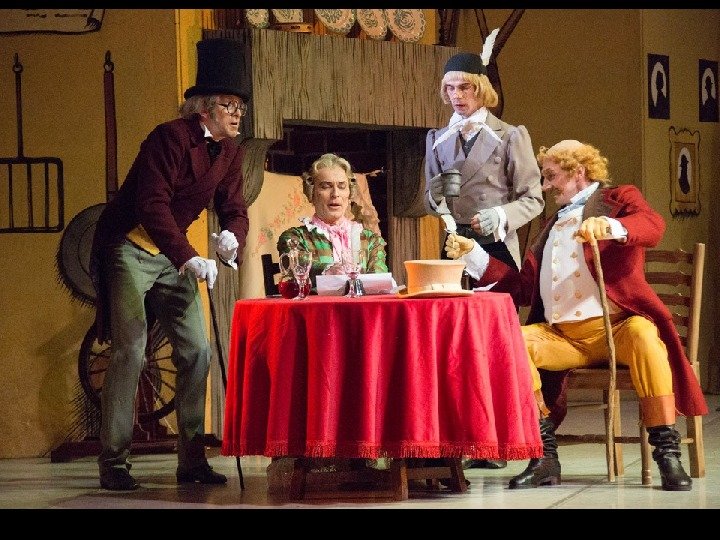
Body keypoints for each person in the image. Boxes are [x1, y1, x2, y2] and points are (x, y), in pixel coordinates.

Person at [444, 139, 708, 491]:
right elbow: (522, 288)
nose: (545, 185)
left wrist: (611, 227)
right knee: (508, 341)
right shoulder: (550, 226)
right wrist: (474, 255)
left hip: (618, 329)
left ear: (578, 171)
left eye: (551, 176)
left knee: (646, 336)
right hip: (563, 337)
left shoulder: (618, 199)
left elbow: (652, 225)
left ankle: (667, 454)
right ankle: (544, 456)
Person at [89, 38, 250, 491]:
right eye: (229, 105)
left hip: (172, 253)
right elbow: (152, 205)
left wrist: (231, 239)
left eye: (241, 106)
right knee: (132, 349)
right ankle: (114, 462)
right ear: (204, 107)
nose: (237, 114)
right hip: (129, 245)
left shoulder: (231, 151)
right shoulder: (169, 137)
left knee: (197, 350)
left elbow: (235, 208)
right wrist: (189, 257)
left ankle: (192, 461)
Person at [424, 39, 544, 470]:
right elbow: (430, 196)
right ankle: (457, 441)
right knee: (452, 346)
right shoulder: (437, 138)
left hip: (494, 247)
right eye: (450, 88)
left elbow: (534, 198)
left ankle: (497, 442)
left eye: (465, 87)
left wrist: (501, 215)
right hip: (453, 248)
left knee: (492, 347)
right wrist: (438, 204)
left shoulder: (510, 136)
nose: (457, 96)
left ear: (481, 89)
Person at [277, 152, 388, 285]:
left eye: (342, 186)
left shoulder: (370, 240)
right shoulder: (295, 238)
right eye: (326, 186)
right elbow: (298, 268)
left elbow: (379, 283)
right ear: (312, 193)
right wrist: (329, 271)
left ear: (349, 193)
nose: (335, 194)